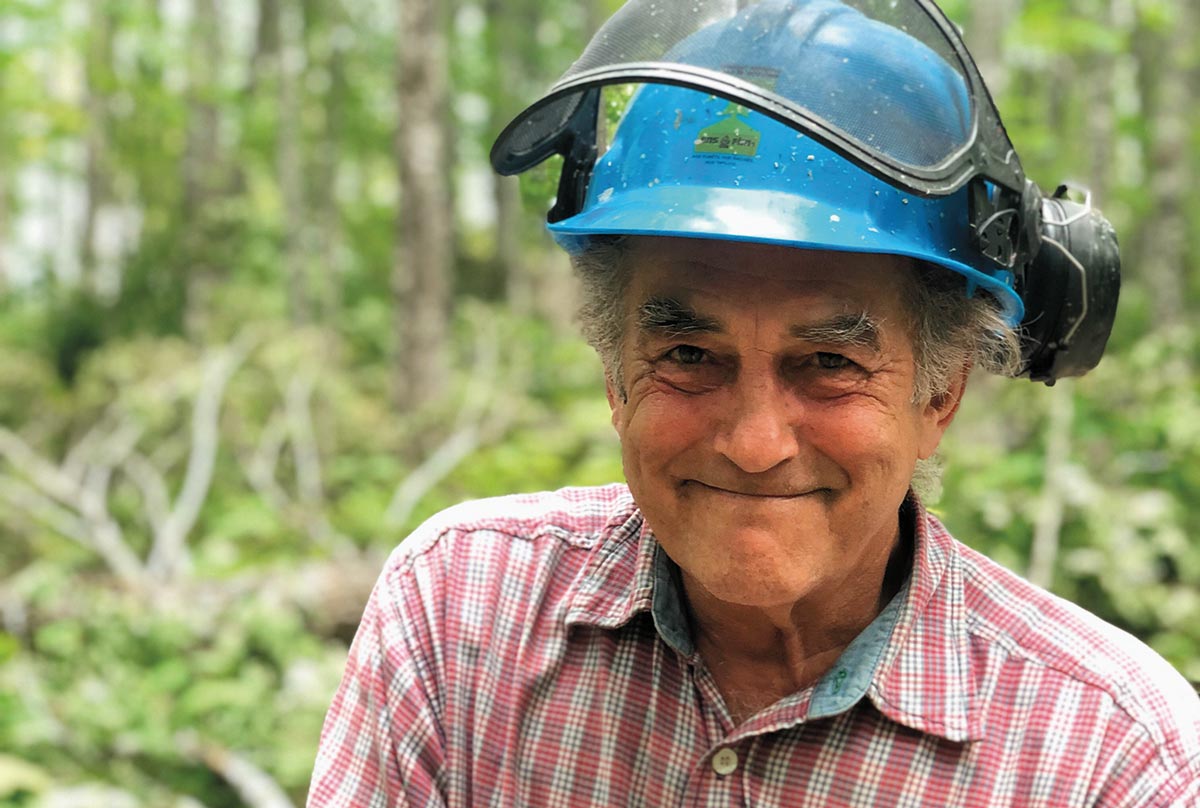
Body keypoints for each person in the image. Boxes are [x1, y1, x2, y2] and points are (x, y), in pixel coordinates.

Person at [308, 1, 1200, 805]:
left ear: (941, 392)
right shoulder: (462, 617)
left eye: (828, 363)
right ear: (616, 376)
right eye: (690, 355)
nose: (755, 443)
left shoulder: (1110, 757)